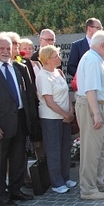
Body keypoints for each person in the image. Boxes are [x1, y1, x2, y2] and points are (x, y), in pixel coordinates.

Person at [0, 34, 39, 206]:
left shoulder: (17, 67)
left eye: (8, 48)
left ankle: (16, 189)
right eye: (1, 48)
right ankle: (1, 195)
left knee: (18, 159)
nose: (6, 52)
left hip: (20, 122)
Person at [74, 30, 104, 200]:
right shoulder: (92, 60)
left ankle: (99, 181)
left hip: (99, 106)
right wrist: (96, 113)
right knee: (91, 150)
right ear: (102, 45)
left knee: (100, 147)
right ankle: (88, 189)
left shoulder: (96, 59)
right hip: (93, 107)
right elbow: (90, 89)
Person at [36, 45, 77, 194]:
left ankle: (65, 177)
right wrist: (64, 114)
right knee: (54, 150)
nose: (59, 58)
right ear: (46, 59)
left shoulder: (58, 72)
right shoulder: (43, 76)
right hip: (51, 118)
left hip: (65, 117)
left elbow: (66, 93)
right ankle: (56, 182)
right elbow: (49, 101)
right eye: (56, 56)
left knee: (65, 148)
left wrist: (70, 110)